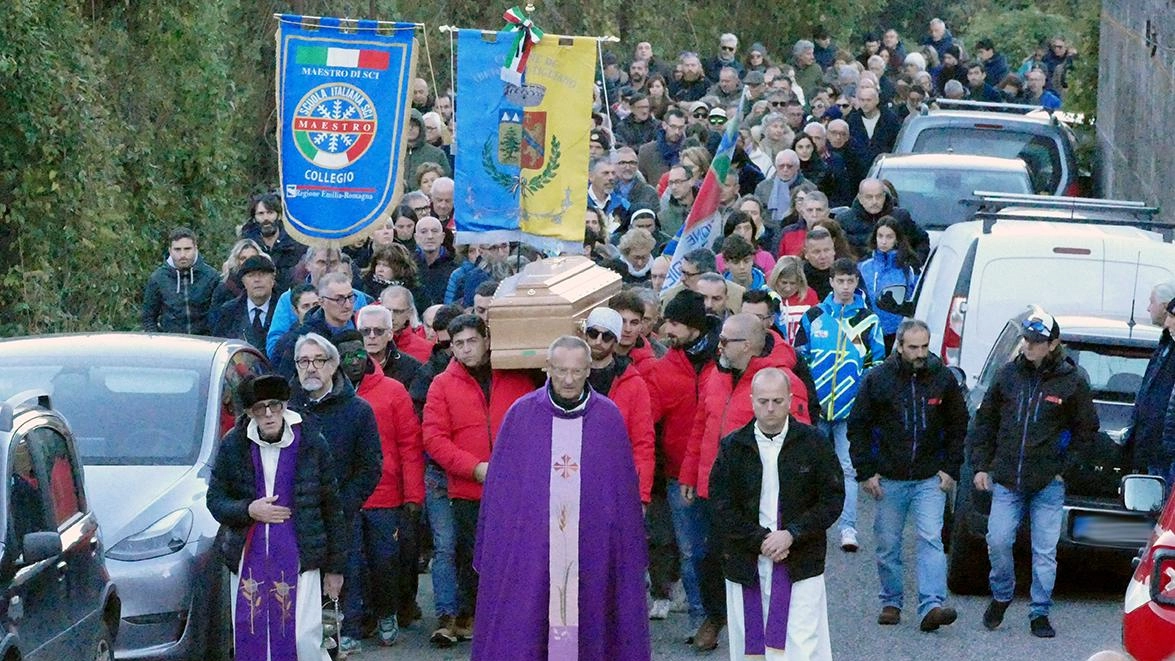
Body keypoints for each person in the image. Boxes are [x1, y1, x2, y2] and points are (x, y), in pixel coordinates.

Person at [471, 336, 650, 660]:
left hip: (591, 549)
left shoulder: (608, 418)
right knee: (528, 620)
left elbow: (619, 494)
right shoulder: (521, 415)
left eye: (577, 371)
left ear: (588, 371)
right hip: (533, 548)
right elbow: (504, 493)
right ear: (547, 368)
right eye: (561, 370)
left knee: (592, 614)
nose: (568, 379)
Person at [969, 308, 1099, 638]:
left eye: (1037, 341)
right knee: (997, 540)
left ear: (1053, 344)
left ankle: (1039, 611)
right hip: (1008, 478)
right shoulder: (1008, 375)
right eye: (1027, 339)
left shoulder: (1072, 381)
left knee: (1045, 551)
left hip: (1047, 483)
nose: (1029, 345)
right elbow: (985, 422)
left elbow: (1087, 432)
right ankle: (1002, 594)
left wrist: (1063, 468)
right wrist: (982, 465)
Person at [207, 373, 346, 661]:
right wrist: (248, 509)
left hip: (300, 554)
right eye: (260, 408)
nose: (269, 414)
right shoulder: (235, 445)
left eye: (274, 405)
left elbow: (332, 506)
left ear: (285, 405)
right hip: (249, 553)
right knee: (250, 627)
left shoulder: (310, 442)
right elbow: (215, 500)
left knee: (301, 637)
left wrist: (335, 568)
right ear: (249, 413)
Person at [709, 368, 842, 660]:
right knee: (749, 647)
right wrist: (761, 540)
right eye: (764, 401)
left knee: (801, 644)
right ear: (752, 400)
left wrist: (792, 534)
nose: (770, 409)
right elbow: (721, 505)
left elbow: (832, 499)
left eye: (778, 401)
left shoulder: (814, 444)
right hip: (746, 560)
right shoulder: (733, 447)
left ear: (791, 400)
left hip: (800, 561)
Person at [848, 319, 968, 631]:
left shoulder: (942, 378)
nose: (919, 353)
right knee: (888, 543)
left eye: (924, 346)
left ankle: (932, 605)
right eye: (913, 347)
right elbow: (858, 426)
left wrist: (950, 468)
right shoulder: (878, 380)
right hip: (889, 477)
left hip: (929, 477)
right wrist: (866, 471)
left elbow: (959, 425)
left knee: (930, 539)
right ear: (899, 346)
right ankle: (891, 600)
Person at [423, 314, 535, 646]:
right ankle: (471, 614)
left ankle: (515, 614)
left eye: (472, 341)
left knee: (516, 552)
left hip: (516, 484)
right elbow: (434, 438)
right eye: (459, 344)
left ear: (487, 340)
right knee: (470, 554)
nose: (466, 349)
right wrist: (475, 468)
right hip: (468, 486)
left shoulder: (517, 376)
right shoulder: (442, 384)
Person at [332, 331, 424, 650]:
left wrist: (413, 495)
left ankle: (387, 612)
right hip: (346, 497)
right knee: (352, 563)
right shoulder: (330, 396)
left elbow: (409, 445)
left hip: (386, 495)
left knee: (385, 560)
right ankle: (359, 619)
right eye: (347, 356)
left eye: (360, 355)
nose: (355, 362)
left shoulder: (393, 391)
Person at [794, 258, 886, 552]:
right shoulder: (814, 316)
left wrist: (864, 401)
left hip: (851, 408)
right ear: (831, 282)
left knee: (848, 467)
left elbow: (876, 365)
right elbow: (800, 359)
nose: (845, 287)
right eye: (840, 281)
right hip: (817, 405)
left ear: (857, 283)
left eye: (851, 281)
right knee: (811, 466)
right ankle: (809, 526)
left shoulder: (869, 321)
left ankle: (848, 528)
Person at [582, 307, 656, 504]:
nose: (598, 341)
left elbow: (643, 443)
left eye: (606, 336)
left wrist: (641, 496)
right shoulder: (570, 378)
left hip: (615, 482)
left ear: (615, 340)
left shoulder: (633, 382)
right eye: (593, 333)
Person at [858, 217, 921, 352]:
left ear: (897, 239)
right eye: (880, 236)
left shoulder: (908, 269)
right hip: (869, 330)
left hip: (897, 332)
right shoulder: (863, 267)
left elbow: (914, 300)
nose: (884, 241)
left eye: (889, 237)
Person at [141, 227, 220, 335]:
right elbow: (148, 316)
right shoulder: (158, 278)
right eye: (177, 249)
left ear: (195, 248)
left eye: (187, 249)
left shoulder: (211, 276)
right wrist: (156, 341)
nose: (182, 255)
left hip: (205, 344)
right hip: (171, 345)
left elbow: (221, 315)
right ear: (170, 251)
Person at [836, 178, 929, 264]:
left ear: (884, 196)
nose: (874, 201)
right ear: (860, 198)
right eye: (869, 197)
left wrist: (914, 264)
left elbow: (922, 240)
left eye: (878, 196)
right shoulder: (844, 221)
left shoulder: (900, 217)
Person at [1141, 284, 1175, 492]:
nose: (1168, 323)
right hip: (1155, 447)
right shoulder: (1165, 346)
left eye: (1172, 317)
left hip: (1167, 451)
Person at [209, 254, 277, 350]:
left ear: (273, 279)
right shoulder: (228, 312)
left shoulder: (283, 310)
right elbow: (220, 347)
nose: (257, 280)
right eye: (251, 276)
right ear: (243, 281)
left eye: (262, 274)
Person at [355, 303, 422, 388]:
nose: (372, 336)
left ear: (390, 334)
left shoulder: (411, 368)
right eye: (365, 331)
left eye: (379, 331)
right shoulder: (349, 364)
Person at [766, 256, 819, 343]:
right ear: (776, 279)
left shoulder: (810, 295)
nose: (788, 288)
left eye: (793, 283)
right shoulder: (766, 294)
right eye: (784, 282)